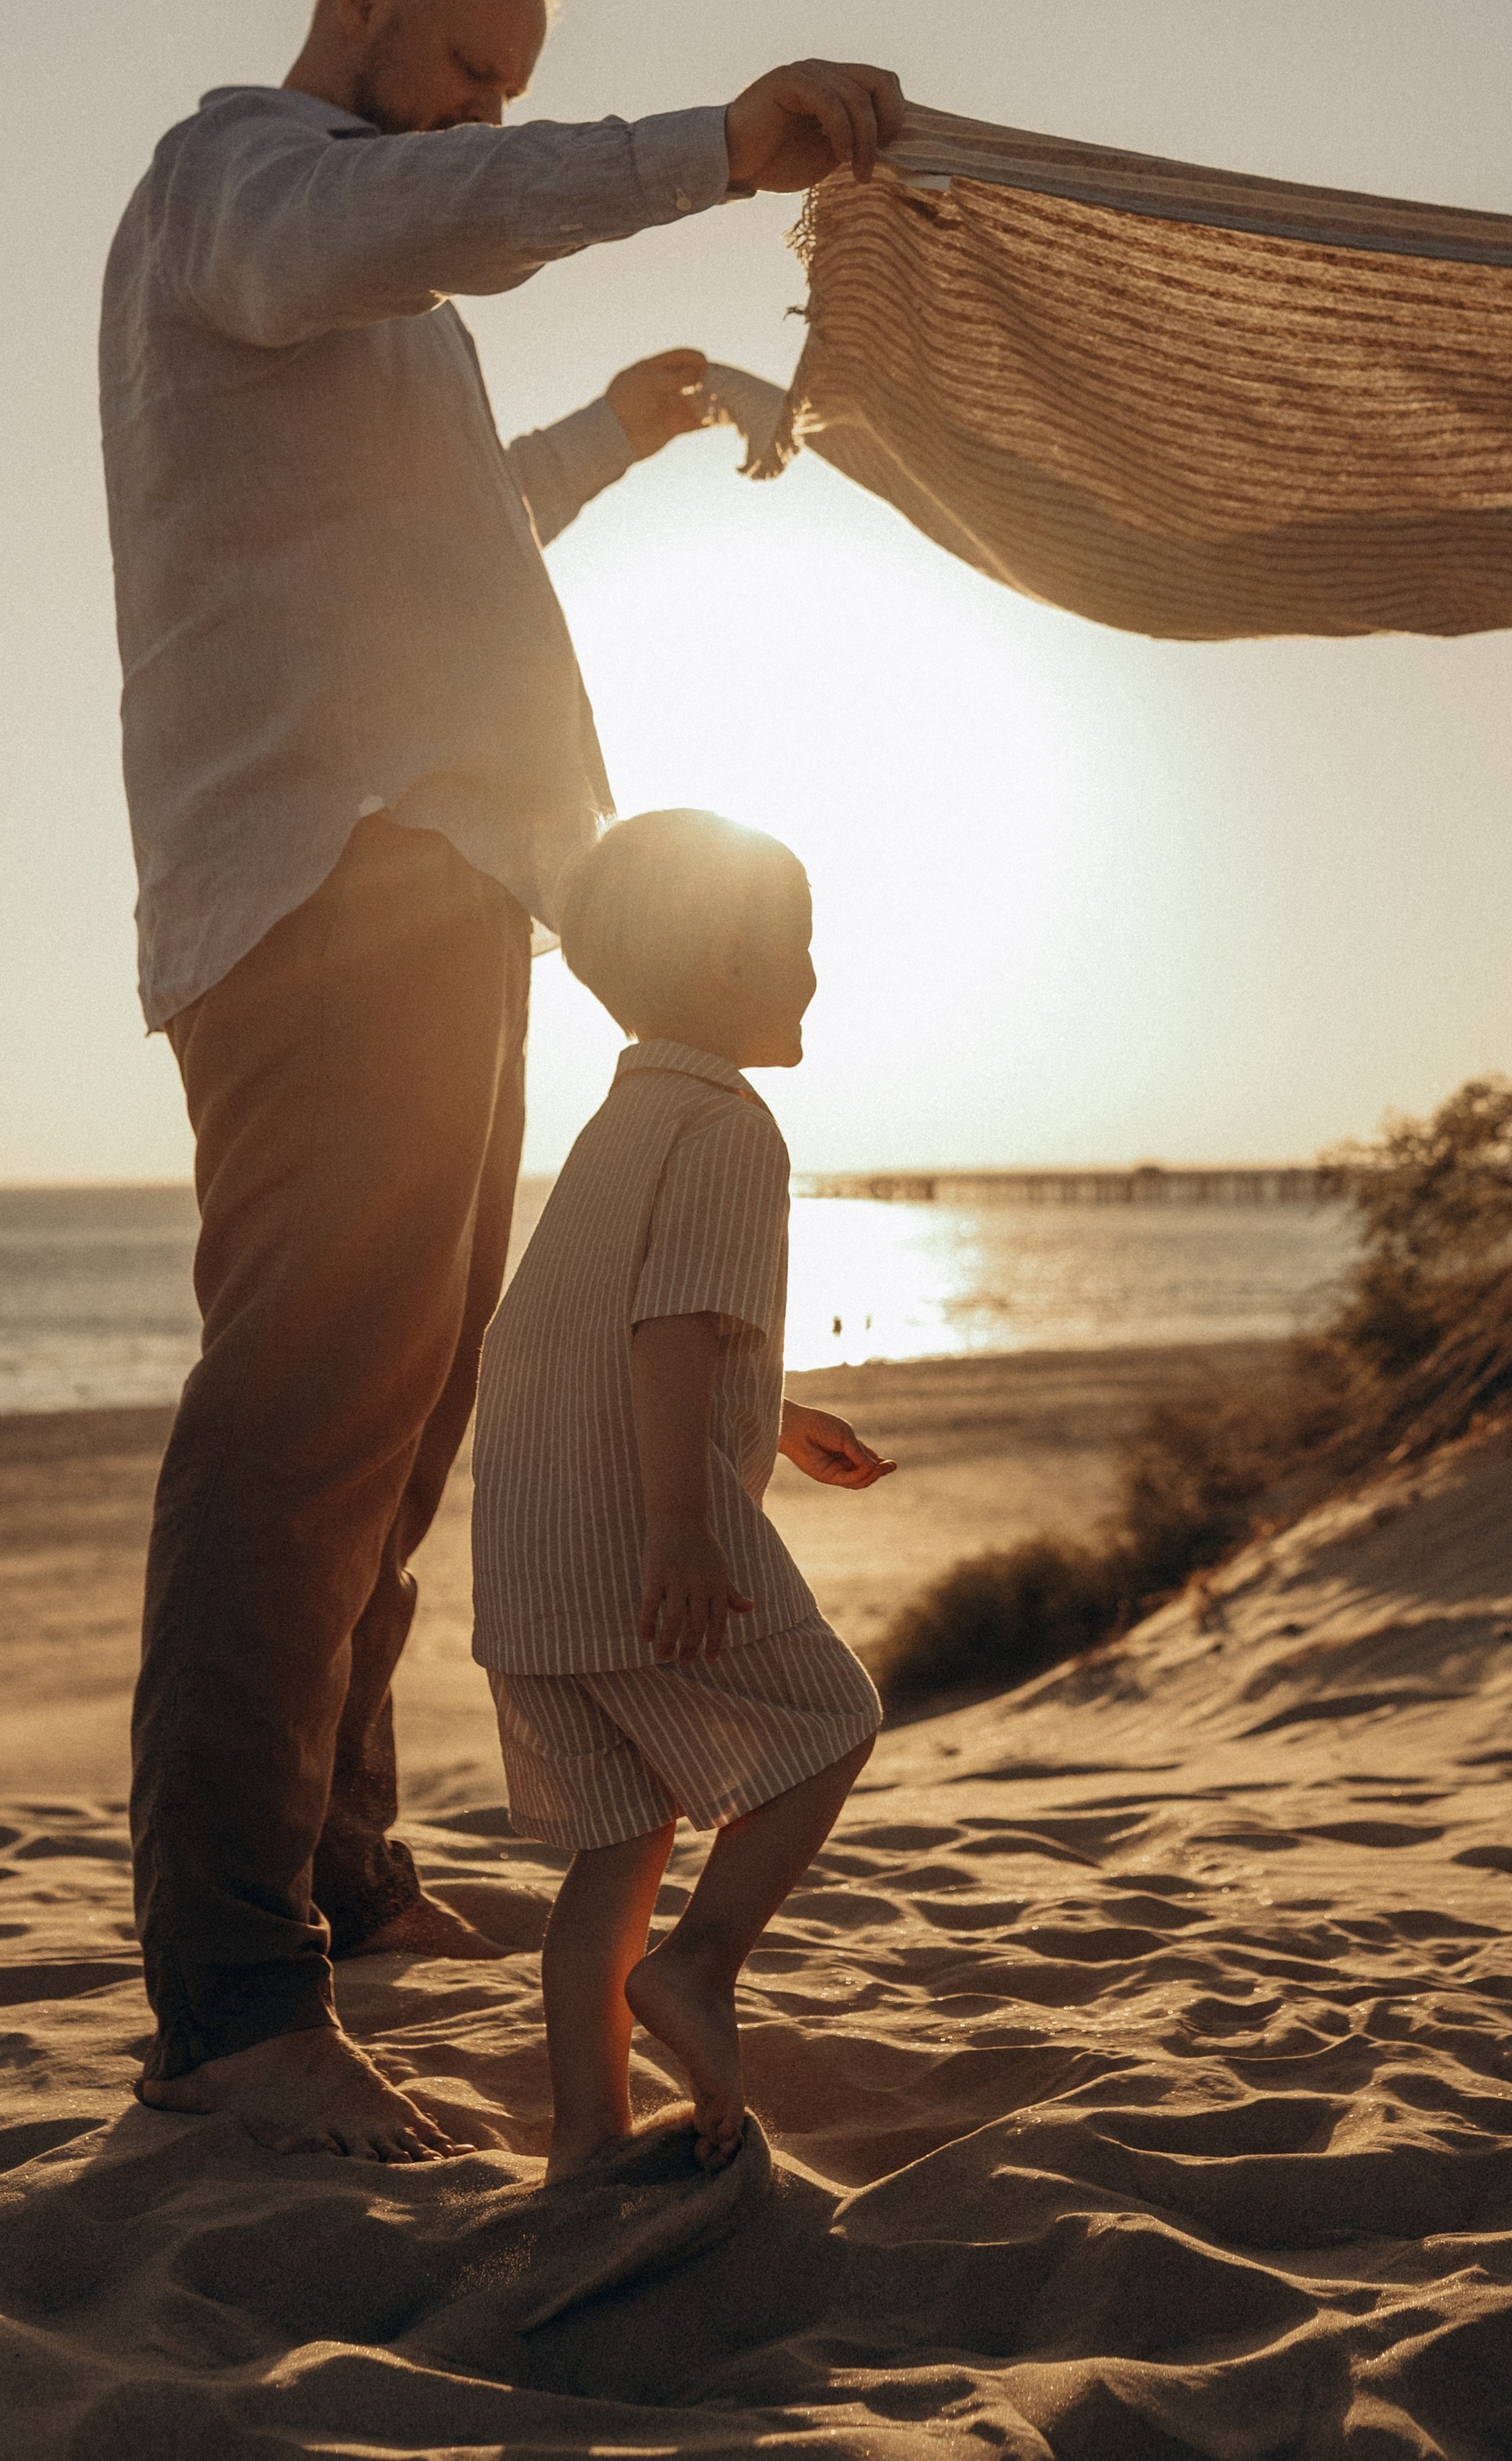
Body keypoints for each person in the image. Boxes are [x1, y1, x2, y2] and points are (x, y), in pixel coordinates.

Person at [99, 0, 905, 2162]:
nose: (469, 122)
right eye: (457, 74)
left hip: (447, 884)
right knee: (295, 1439)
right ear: (357, 3)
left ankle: (342, 1887)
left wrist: (617, 436)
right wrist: (700, 154)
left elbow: (436, 551)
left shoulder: (371, 290)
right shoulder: (237, 183)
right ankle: (234, 2001)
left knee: (406, 1414)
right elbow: (410, 222)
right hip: (323, 886)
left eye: (504, 99)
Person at [471, 808, 892, 2180]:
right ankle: (700, 1967)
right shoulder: (729, 1127)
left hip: (527, 1548)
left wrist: (776, 1414)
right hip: (632, 1531)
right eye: (802, 949)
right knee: (831, 1719)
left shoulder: (620, 1124)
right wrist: (683, 1526)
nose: (819, 976)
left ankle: (590, 2136)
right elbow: (670, 1333)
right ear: (726, 959)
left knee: (617, 1840)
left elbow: (610, 1328)